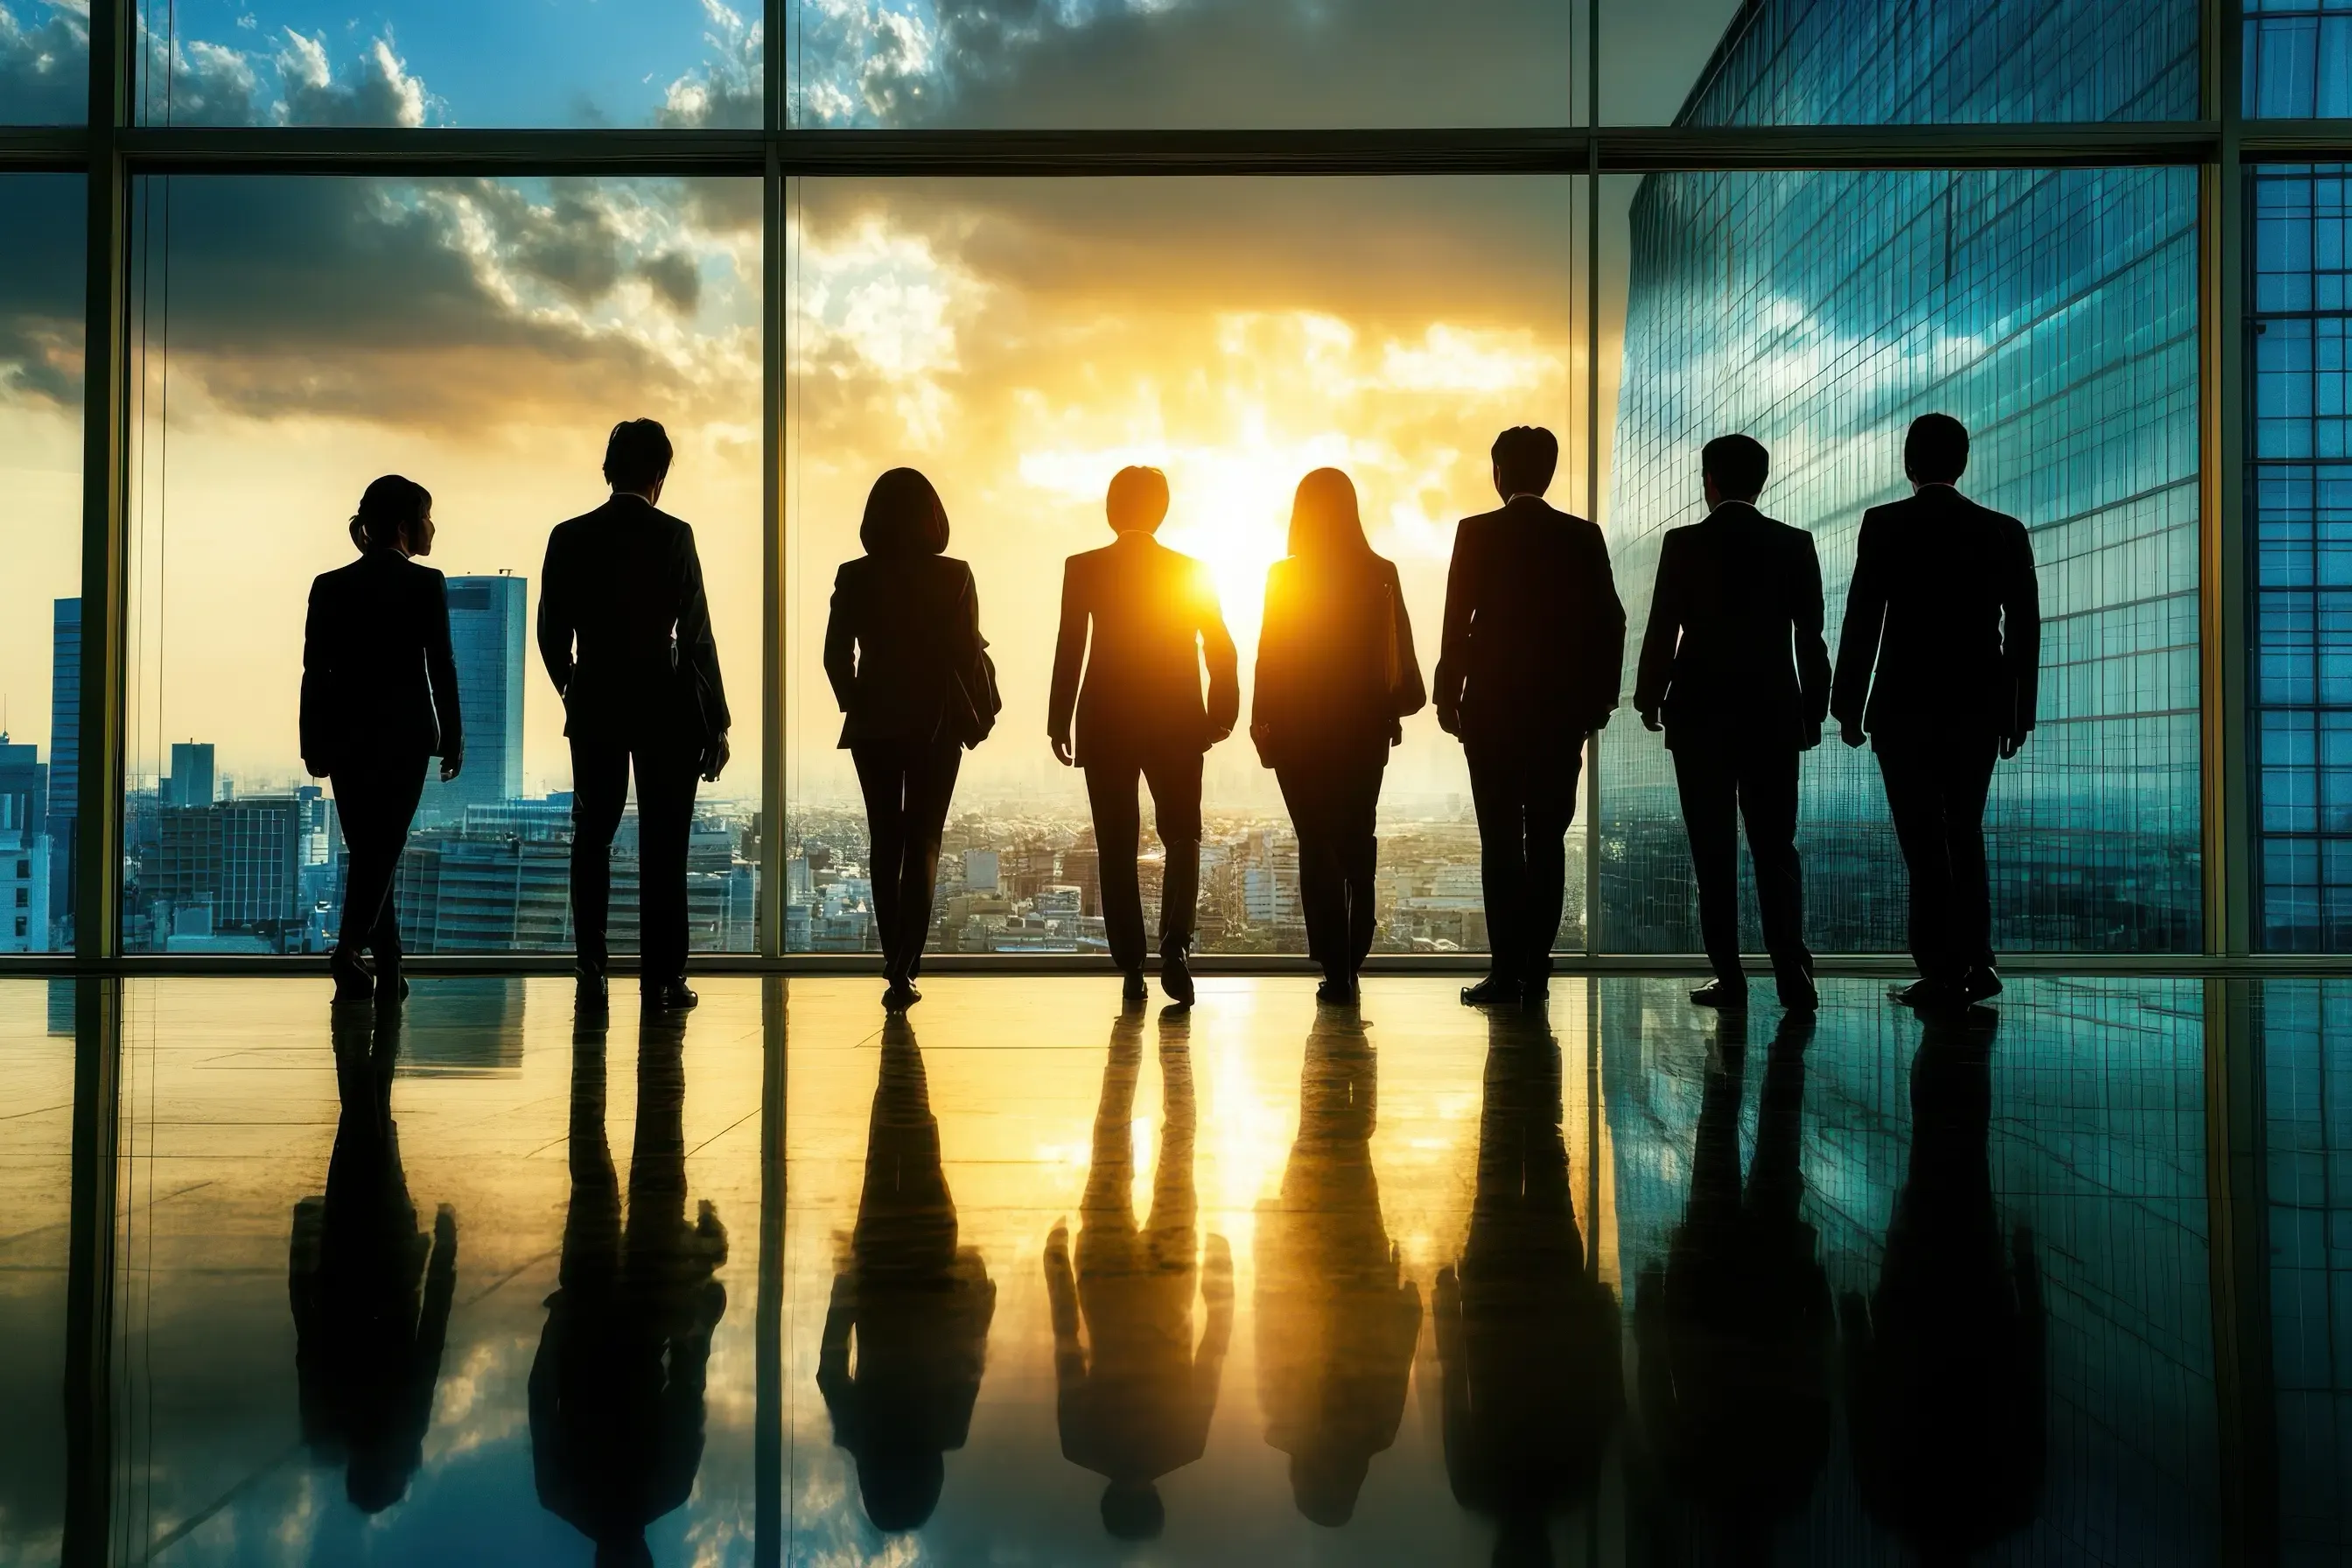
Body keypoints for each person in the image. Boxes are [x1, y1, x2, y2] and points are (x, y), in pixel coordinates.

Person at [1832, 413, 2039, 1012]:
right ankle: (1979, 959)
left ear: (1909, 463)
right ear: (1963, 462)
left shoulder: (1886, 524)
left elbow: (1864, 617)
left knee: (1923, 842)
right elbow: (2024, 629)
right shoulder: (2003, 531)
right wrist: (2018, 712)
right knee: (1964, 832)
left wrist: (1847, 706)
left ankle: (1942, 968)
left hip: (1904, 709)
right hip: (1978, 709)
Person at [539, 419, 732, 1014]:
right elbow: (696, 636)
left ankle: (592, 966)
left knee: (592, 836)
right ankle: (664, 979)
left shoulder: (568, 536)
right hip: (664, 705)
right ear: (659, 475)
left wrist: (575, 686)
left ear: (609, 469)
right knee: (664, 844)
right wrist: (717, 720)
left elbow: (551, 632)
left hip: (596, 701)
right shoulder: (674, 535)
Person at [1634, 435, 1829, 1012]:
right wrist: (1813, 711)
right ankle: (1793, 974)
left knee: (1712, 853)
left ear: (1710, 479)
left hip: (1700, 717)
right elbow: (1810, 639)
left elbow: (1663, 626)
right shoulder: (1794, 544)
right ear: (1760, 481)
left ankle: (1730, 978)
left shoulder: (1685, 543)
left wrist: (1649, 695)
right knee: (1776, 847)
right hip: (1772, 715)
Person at [1841, 1009, 2046, 1558]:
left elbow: (2027, 1385)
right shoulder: (1887, 1501)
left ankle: (1959, 1048)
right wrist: (1855, 1319)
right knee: (1932, 1164)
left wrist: (2025, 1276)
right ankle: (1946, 1044)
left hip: (1976, 1304)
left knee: (1963, 1163)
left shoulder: (2010, 1503)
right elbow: (1864, 1397)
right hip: (1915, 1306)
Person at [531, 1012, 730, 1568]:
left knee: (658, 1164)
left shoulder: (668, 1491)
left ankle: (661, 1038)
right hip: (587, 1311)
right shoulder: (561, 1497)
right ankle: (591, 1050)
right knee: (591, 1166)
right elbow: (542, 1400)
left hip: (644, 1314)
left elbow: (687, 1389)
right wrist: (558, 1325)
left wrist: (697, 1315)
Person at [1435, 427, 1625, 1007]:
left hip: (1491, 713)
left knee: (1500, 843)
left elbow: (1455, 622)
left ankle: (1505, 971)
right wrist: (1599, 702)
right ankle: (1537, 969)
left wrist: (1448, 696)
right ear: (1548, 473)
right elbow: (1611, 622)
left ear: (1499, 474)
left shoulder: (1476, 532)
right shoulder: (1581, 536)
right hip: (1560, 717)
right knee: (1547, 839)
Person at [1633, 1012, 1831, 1554]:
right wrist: (1654, 1300)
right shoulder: (1692, 1480)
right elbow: (1656, 1381)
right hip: (1709, 1286)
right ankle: (1732, 1053)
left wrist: (1816, 1295)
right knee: (1717, 1140)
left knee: (1776, 1143)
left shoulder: (1789, 1487)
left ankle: (1769, 1054)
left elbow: (1817, 1390)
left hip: (1773, 1287)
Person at [1436, 1007, 1622, 1566]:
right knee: (1498, 1158)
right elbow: (1455, 1387)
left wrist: (1602, 1313)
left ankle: (1537, 1045)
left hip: (1557, 1290)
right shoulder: (1476, 1487)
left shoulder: (1572, 1487)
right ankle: (1517, 1040)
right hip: (1496, 1302)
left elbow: (1601, 1397)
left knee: (1545, 1158)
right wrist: (1449, 1304)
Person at [1048, 466, 1240, 1007]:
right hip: (1178, 718)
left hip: (1105, 719)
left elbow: (1071, 647)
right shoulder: (1190, 570)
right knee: (1182, 835)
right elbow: (1220, 647)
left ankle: (1131, 966)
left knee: (1116, 842)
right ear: (1161, 511)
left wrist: (1059, 718)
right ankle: (1175, 949)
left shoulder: (1084, 567)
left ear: (1112, 510)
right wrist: (1220, 713)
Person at [1046, 1004, 1234, 1540]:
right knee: (1111, 1142)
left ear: (1157, 1503)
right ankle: (1126, 1044)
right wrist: (1057, 1261)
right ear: (1106, 1502)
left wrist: (1221, 1276)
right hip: (1105, 1286)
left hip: (1171, 1286)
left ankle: (1176, 1050)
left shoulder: (1186, 1446)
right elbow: (1067, 1342)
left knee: (1178, 1147)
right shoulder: (1080, 1447)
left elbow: (1214, 1347)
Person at [825, 469, 999, 1011]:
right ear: (933, 518)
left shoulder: (854, 575)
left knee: (885, 838)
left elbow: (835, 654)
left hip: (874, 722)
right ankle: (905, 969)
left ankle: (891, 957)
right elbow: (967, 654)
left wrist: (857, 699)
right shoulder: (955, 575)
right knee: (924, 840)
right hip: (936, 722)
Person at [1251, 469, 1424, 1004]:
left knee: (1315, 845)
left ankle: (1335, 964)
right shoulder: (1381, 572)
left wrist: (1262, 724)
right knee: (1356, 840)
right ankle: (1354, 953)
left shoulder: (1285, 576)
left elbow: (1270, 654)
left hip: (1298, 732)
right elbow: (1401, 654)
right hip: (1363, 729)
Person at [818, 1015, 997, 1532]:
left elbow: (970, 1352)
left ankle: (902, 1044)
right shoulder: (857, 1432)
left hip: (933, 1268)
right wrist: (845, 1295)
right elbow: (830, 1368)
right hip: (875, 1273)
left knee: (922, 1145)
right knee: (882, 1154)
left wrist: (978, 1291)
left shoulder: (949, 1429)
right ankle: (897, 1042)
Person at [1254, 1006, 1420, 1527]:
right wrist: (1267, 1245)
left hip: (1364, 1271)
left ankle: (1351, 1047)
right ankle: (1330, 1036)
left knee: (1351, 1146)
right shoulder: (1283, 1422)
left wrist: (1407, 1302)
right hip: (1303, 1257)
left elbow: (1396, 1359)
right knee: (1315, 1134)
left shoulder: (1375, 1433)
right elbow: (1269, 1333)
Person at [288, 1004, 457, 1515]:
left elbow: (431, 1335)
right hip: (342, 1258)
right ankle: (357, 1032)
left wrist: (445, 1253)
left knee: (373, 1129)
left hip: (392, 1261)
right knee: (361, 1129)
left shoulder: (403, 1422)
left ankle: (369, 1029)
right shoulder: (328, 1422)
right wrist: (302, 1247)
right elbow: (306, 1328)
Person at [301, 474, 462, 1006]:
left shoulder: (330, 585)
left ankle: (389, 966)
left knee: (372, 850)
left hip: (345, 739)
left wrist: (312, 741)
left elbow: (314, 672)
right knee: (382, 850)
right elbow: (441, 665)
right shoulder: (425, 583)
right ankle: (348, 951)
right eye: (427, 516)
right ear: (403, 525)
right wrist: (454, 735)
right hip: (405, 738)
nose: (432, 527)